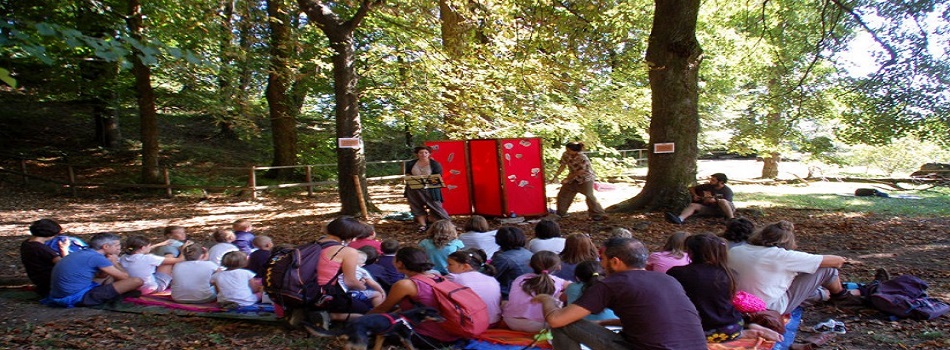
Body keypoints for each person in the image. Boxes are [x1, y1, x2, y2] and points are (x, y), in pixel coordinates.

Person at [533, 237, 707, 350]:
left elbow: (557, 320)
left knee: (562, 324)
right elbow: (653, 318)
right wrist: (607, 321)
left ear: (615, 262)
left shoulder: (613, 283)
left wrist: (547, 300)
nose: (601, 265)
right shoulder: (667, 280)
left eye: (602, 259)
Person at [668, 233, 783, 343]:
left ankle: (745, 334)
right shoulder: (730, 274)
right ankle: (745, 329)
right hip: (734, 323)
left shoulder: (677, 273)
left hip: (705, 330)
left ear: (691, 252)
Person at [728, 220, 860, 315]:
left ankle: (823, 294)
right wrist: (844, 259)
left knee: (805, 277)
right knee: (827, 269)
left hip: (737, 302)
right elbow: (835, 262)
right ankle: (841, 296)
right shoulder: (781, 256)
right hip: (768, 307)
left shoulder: (736, 250)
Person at [368, 247, 462, 347]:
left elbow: (382, 308)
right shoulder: (437, 277)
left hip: (429, 337)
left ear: (400, 263)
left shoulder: (405, 285)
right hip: (453, 334)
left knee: (376, 330)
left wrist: (360, 319)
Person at [45, 232, 144, 307]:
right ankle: (110, 297)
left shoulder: (83, 253)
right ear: (105, 246)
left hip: (58, 295)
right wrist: (115, 262)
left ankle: (111, 293)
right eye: (117, 245)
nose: (119, 248)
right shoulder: (97, 258)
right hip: (77, 297)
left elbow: (101, 275)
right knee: (137, 281)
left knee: (108, 275)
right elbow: (125, 276)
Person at [315, 216, 375, 321]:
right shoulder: (348, 252)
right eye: (354, 236)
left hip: (305, 290)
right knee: (367, 310)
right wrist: (365, 288)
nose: (355, 239)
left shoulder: (314, 245)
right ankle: (331, 316)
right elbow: (350, 281)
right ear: (348, 235)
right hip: (326, 295)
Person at [502, 251, 572, 333]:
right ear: (558, 267)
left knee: (504, 303)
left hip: (511, 322)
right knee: (559, 296)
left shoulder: (520, 279)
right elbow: (574, 287)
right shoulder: (558, 282)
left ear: (529, 265)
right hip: (542, 325)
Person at [550, 142, 606, 221]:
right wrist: (556, 176)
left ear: (575, 150)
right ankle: (561, 212)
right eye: (567, 149)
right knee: (563, 193)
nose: (567, 151)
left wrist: (567, 179)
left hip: (585, 178)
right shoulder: (566, 155)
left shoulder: (582, 157)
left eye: (569, 150)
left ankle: (598, 214)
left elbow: (581, 171)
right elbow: (562, 165)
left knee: (589, 195)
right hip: (573, 178)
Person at [446, 249, 502, 326]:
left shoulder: (454, 278)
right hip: (494, 321)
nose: (447, 267)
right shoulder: (492, 279)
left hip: (473, 324)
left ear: (465, 266)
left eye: (450, 264)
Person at [404, 146, 451, 232]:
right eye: (421, 153)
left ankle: (447, 225)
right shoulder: (411, 163)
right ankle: (423, 225)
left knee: (436, 206)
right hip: (414, 189)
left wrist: (426, 179)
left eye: (426, 152)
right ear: (417, 154)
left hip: (431, 189)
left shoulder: (435, 164)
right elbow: (407, 174)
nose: (423, 154)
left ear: (429, 154)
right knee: (416, 206)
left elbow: (439, 177)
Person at [119, 235, 185, 295]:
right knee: (169, 258)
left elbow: (142, 249)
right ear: (143, 248)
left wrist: (161, 244)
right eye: (148, 246)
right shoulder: (148, 258)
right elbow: (180, 260)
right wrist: (183, 249)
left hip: (132, 287)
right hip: (151, 288)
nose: (150, 247)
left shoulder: (123, 257)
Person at [21, 219, 70, 297]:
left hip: (38, 279)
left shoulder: (27, 243)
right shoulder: (42, 249)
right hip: (50, 282)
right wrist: (64, 249)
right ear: (50, 235)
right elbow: (65, 265)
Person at [666, 173, 735, 224]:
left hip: (724, 210)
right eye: (711, 179)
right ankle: (680, 219)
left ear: (721, 182)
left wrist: (715, 201)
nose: (711, 181)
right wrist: (695, 195)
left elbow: (727, 203)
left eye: (713, 180)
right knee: (693, 205)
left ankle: (732, 220)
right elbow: (691, 188)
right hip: (711, 209)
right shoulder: (707, 186)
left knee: (722, 201)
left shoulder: (727, 191)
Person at [489, 226, 533, 299]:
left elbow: (488, 276)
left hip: (508, 293)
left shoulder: (503, 258)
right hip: (526, 290)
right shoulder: (529, 253)